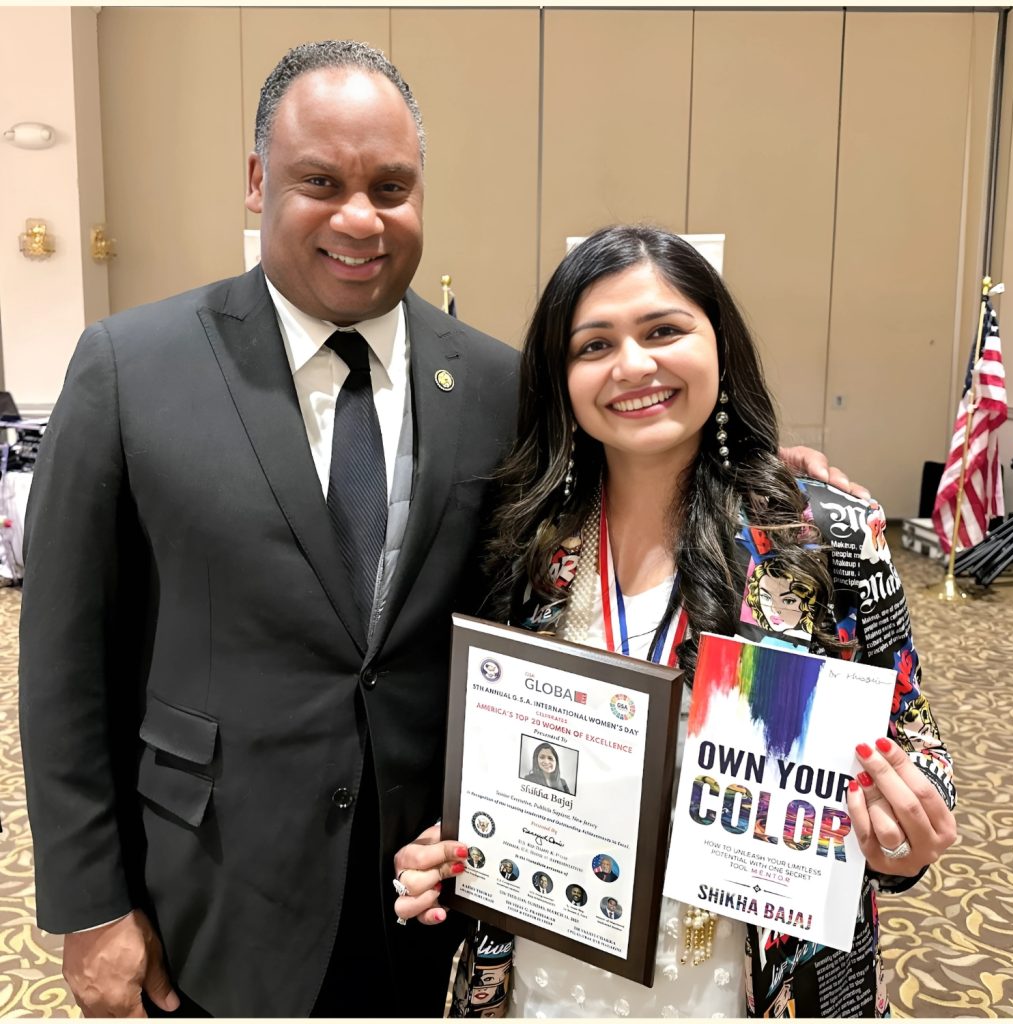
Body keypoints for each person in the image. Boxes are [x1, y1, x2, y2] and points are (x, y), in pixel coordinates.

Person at [17, 40, 520, 1018]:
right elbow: (63, 659)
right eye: (319, 181)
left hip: (426, 898)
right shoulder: (130, 368)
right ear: (257, 183)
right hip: (210, 889)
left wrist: (758, 469)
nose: (360, 217)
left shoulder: (497, 383)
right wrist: (89, 905)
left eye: (391, 184)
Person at [396, 225, 956, 1017]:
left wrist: (906, 833)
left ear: (719, 345)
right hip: (551, 970)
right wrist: (455, 847)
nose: (633, 365)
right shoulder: (523, 544)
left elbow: (918, 749)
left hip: (739, 980)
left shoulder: (822, 535)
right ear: (562, 378)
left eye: (664, 331)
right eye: (595, 345)